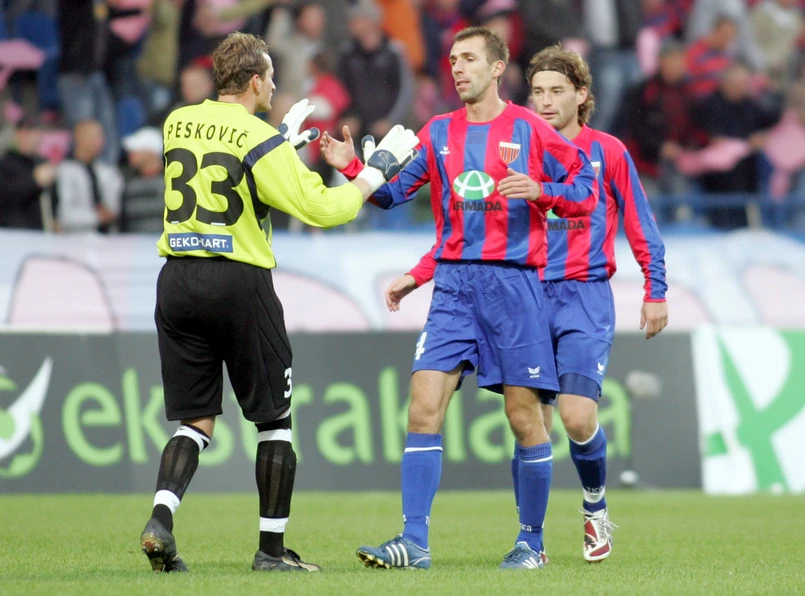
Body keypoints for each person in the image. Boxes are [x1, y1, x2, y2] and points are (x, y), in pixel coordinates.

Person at [138, 31, 418, 574]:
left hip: (176, 281)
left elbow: (229, 172)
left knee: (195, 420)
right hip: (237, 282)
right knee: (275, 422)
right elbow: (323, 210)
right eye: (269, 77)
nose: (273, 85)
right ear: (252, 81)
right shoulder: (257, 136)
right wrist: (375, 170)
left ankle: (161, 521)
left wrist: (280, 146)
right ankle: (270, 551)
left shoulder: (177, 122)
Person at [320, 26, 598, 570]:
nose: (458, 67)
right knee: (422, 406)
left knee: (524, 417)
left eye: (469, 58)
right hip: (452, 288)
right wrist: (352, 167)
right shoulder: (438, 131)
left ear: (497, 68)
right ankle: (414, 542)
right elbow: (392, 194)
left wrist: (542, 190)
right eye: (452, 59)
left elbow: (586, 191)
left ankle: (531, 543)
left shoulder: (530, 129)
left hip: (514, 287)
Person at [391, 45, 668, 563]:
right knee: (529, 420)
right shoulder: (518, 141)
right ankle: (528, 542)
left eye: (556, 91)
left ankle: (594, 502)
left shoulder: (606, 151)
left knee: (577, 417)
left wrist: (656, 289)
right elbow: (469, 234)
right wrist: (420, 274)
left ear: (581, 95)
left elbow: (639, 223)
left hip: (582, 294)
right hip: (527, 292)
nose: (545, 101)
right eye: (538, 91)